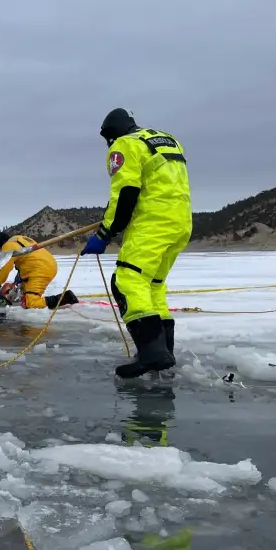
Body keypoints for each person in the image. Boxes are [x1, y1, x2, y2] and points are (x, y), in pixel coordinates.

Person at [80, 108, 192, 378]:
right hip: (180, 222)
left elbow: (126, 192)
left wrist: (105, 234)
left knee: (127, 280)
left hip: (151, 222)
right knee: (152, 286)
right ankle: (164, 353)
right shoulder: (165, 139)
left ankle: (152, 354)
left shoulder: (124, 144)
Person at [0, 232, 78, 309]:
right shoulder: (20, 239)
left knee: (30, 302)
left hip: (38, 269)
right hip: (49, 264)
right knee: (24, 292)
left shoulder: (7, 246)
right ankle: (28, 296)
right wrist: (20, 276)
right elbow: (28, 258)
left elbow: (5, 267)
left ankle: (66, 298)